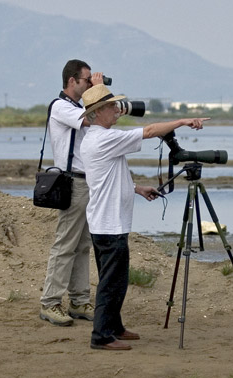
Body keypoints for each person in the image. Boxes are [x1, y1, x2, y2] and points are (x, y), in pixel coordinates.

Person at [78, 84, 209, 350]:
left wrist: (137, 188)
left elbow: (110, 176)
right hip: (109, 223)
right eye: (112, 106)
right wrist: (182, 121)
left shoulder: (99, 138)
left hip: (107, 221)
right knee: (111, 283)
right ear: (99, 111)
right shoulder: (102, 138)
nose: (118, 110)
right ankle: (101, 336)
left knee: (115, 278)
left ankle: (114, 327)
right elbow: (149, 131)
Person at [39, 59, 105, 326]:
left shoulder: (76, 107)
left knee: (82, 246)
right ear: (72, 81)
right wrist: (98, 93)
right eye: (86, 80)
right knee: (65, 245)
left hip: (87, 182)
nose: (89, 83)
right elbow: (92, 119)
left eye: (91, 80)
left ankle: (79, 300)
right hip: (73, 183)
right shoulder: (61, 107)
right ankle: (50, 303)